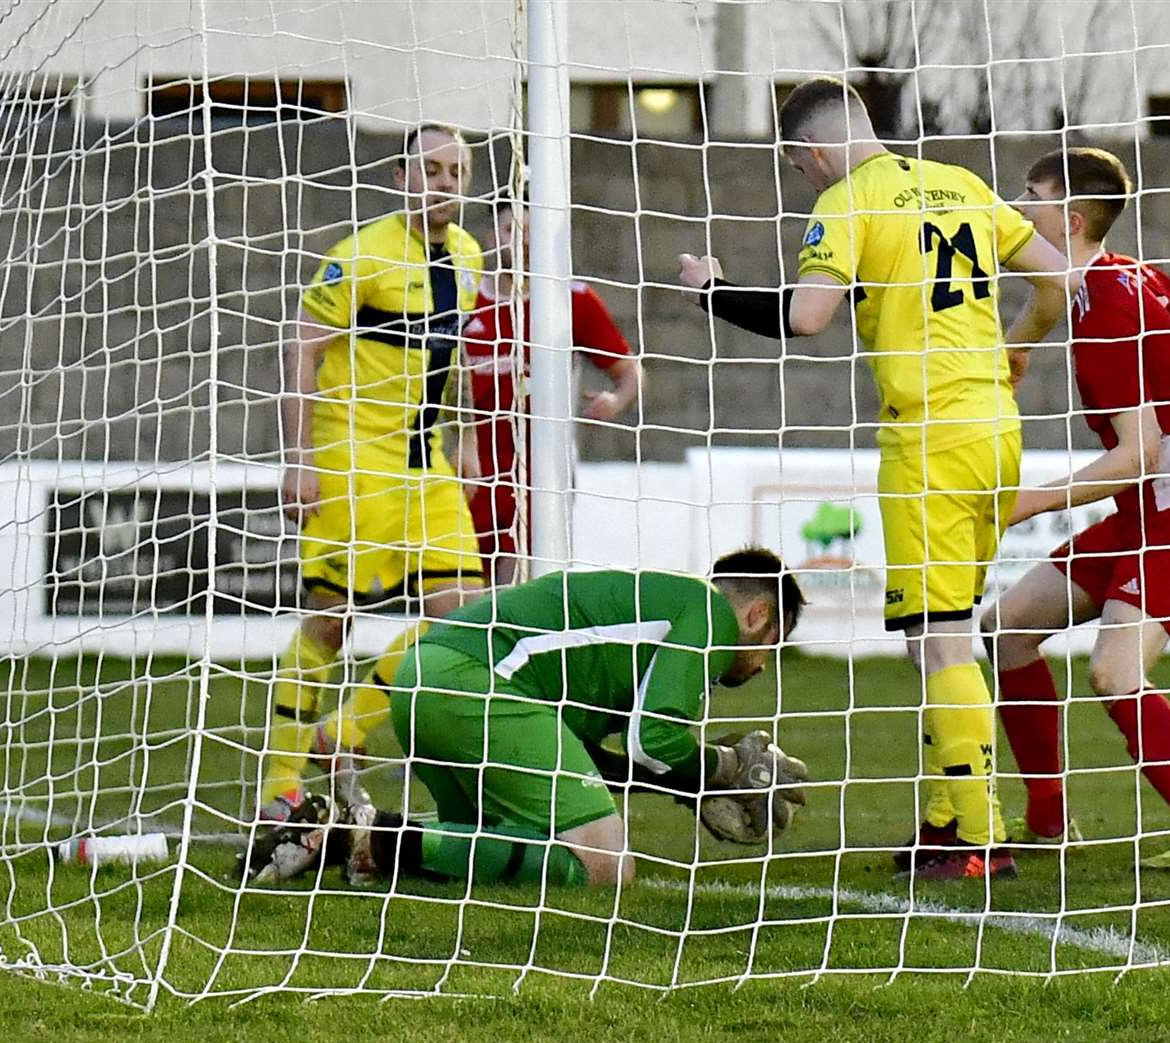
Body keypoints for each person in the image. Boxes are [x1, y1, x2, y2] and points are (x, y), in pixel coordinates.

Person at [677, 77, 1071, 880]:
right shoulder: (962, 184)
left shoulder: (848, 203)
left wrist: (710, 291)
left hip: (926, 438)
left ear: (809, 152)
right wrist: (1014, 347)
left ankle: (978, 836)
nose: (805, 182)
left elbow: (806, 317)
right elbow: (1063, 274)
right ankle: (944, 816)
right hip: (996, 429)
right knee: (943, 630)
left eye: (798, 169)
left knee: (942, 637)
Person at [981, 148, 1170, 870]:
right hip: (1160, 508)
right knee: (1006, 628)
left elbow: (1137, 456)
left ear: (1069, 220)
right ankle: (1048, 822)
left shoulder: (1110, 306)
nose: (1016, 208)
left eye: (1030, 196)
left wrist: (1025, 504)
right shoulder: (1126, 276)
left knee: (1114, 675)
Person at [241, 549, 809, 889]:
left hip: (425, 683)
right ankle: (358, 834)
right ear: (758, 614)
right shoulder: (707, 612)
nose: (761, 667)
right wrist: (724, 767)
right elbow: (653, 737)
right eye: (771, 647)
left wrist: (689, 785)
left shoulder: (651, 618)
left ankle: (356, 843)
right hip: (477, 686)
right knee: (606, 866)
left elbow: (588, 757)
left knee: (494, 856)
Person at [261, 124, 488, 822]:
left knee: (467, 621)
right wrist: (299, 458)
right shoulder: (359, 257)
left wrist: (471, 437)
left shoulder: (471, 256)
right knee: (333, 622)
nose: (444, 182)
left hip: (429, 465)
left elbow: (455, 358)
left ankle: (344, 731)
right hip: (353, 455)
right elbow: (299, 349)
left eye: (456, 171)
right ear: (400, 177)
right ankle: (280, 788)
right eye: (431, 169)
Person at [464, 202, 643, 584]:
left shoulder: (569, 299)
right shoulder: (464, 300)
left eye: (532, 232)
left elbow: (631, 373)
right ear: (490, 236)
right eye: (512, 230)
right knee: (462, 597)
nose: (522, 242)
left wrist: (616, 399)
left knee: (515, 592)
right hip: (470, 470)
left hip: (540, 473)